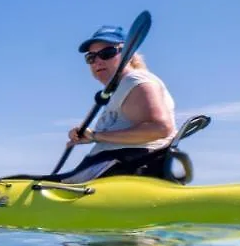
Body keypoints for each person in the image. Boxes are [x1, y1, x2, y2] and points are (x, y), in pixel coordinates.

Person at [60, 24, 177, 183]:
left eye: (107, 53)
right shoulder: (121, 88)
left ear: (128, 55)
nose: (98, 61)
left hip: (125, 173)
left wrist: (96, 136)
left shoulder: (135, 80)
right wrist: (90, 136)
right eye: (91, 57)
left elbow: (160, 128)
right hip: (113, 170)